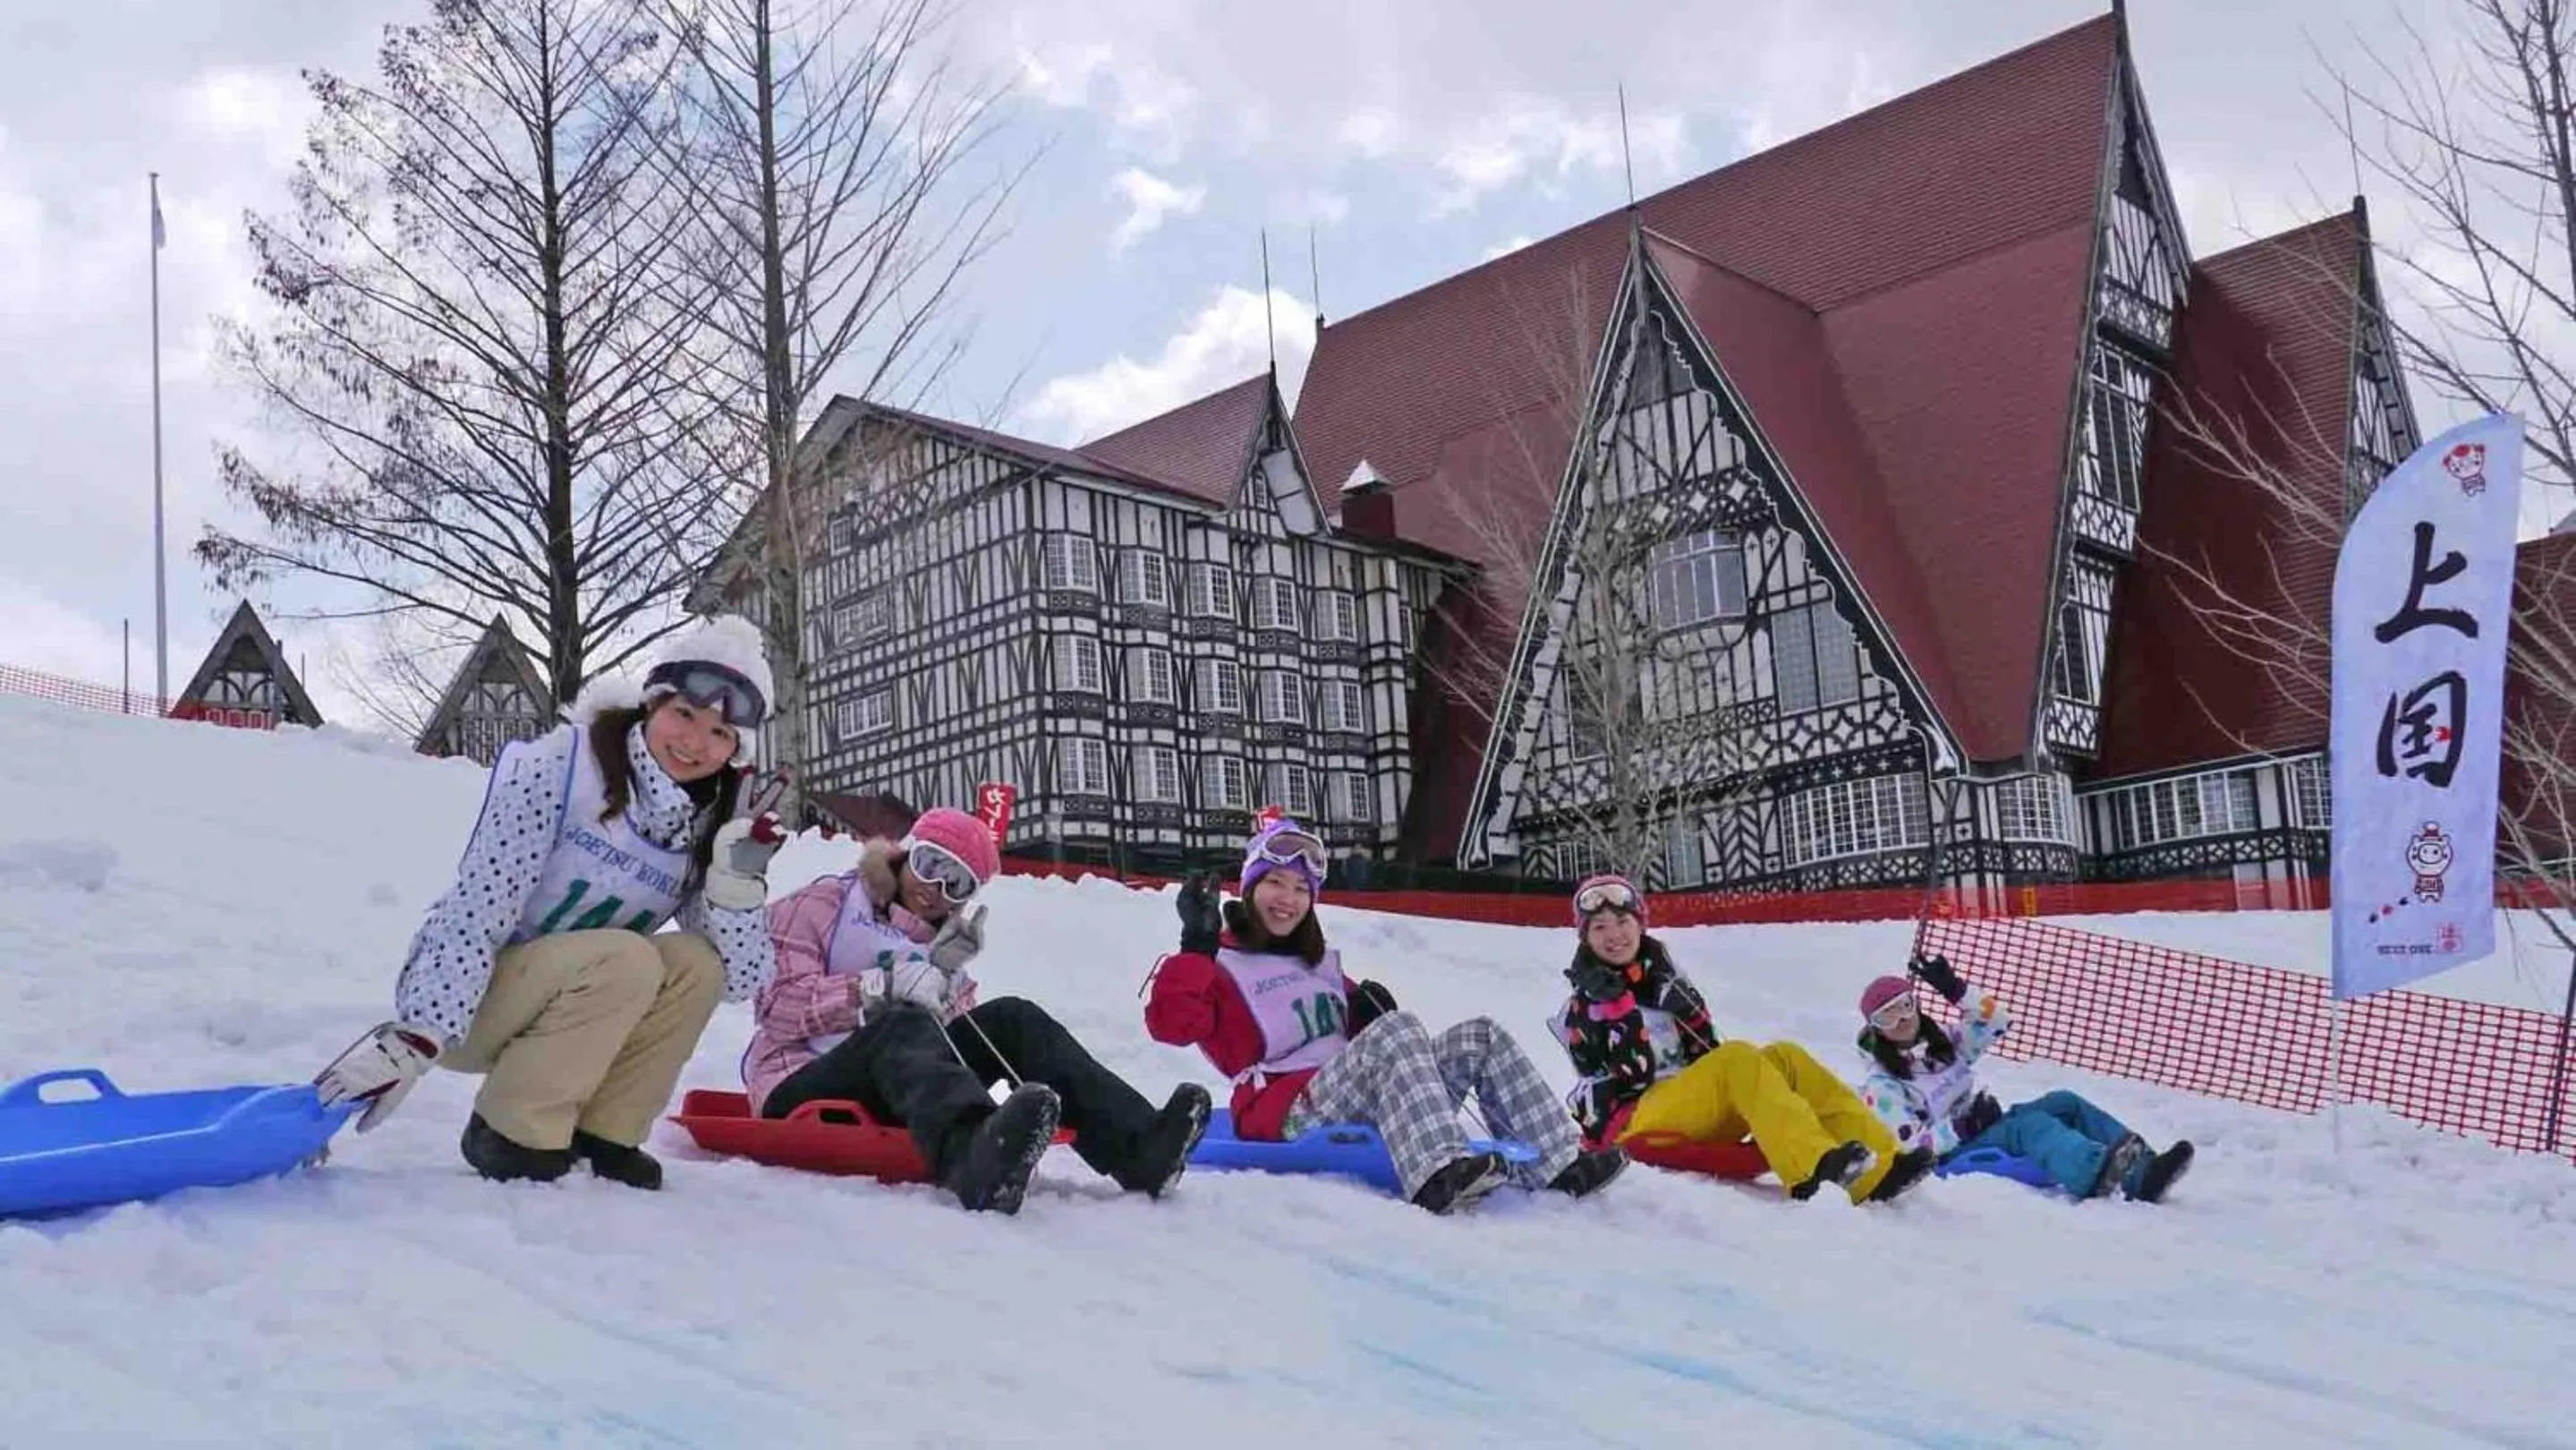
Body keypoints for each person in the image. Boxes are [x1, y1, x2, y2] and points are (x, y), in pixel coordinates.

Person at [315, 618, 786, 1191]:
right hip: (480, 1002)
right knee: (627, 957)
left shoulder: (706, 821)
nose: (694, 743)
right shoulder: (566, 767)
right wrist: (418, 1034)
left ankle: (604, 1133)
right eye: (683, 715)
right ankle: (514, 1128)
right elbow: (477, 907)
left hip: (586, 1006)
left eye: (720, 733)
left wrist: (736, 890)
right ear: (651, 707)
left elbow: (736, 980)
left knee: (694, 962)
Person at [1143, 819, 1628, 1215]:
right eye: (1274, 882)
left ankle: (1558, 1164)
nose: (1287, 899)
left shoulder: (1317, 964)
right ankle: (1435, 1174)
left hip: (1349, 1096)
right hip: (1281, 1109)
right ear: (1249, 887)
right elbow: (1171, 1027)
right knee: (1397, 1032)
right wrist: (1196, 947)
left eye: (1300, 888)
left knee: (1480, 1035)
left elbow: (1372, 1043)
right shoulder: (1217, 962)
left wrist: (1368, 1013)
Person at [745, 807, 1211, 1215]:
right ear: (904, 854)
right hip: (798, 1083)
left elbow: (937, 1057)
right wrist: (877, 990)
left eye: (957, 884)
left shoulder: (941, 947)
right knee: (903, 1020)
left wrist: (943, 981)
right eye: (929, 866)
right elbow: (775, 1007)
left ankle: (1139, 1149)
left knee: (1013, 1018)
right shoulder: (821, 904)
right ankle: (973, 1160)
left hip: (892, 1093)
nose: (935, 890)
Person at [1552, 874, 1934, 1205]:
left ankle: (1881, 1168)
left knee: (1784, 1056)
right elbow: (1630, 1078)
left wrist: (1690, 1012)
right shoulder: (1583, 1006)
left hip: (1687, 1107)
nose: (1613, 934)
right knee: (1738, 1056)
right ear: (1585, 938)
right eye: (1598, 927)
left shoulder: (1661, 979)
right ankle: (1811, 1168)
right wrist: (1617, 1006)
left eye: (1621, 920)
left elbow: (1707, 1058)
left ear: (1640, 925)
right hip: (1637, 1122)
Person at [1854, 957, 2194, 1202]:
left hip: (1984, 1127)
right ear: (1875, 1028)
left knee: (2064, 1102)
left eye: (1904, 1006)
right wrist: (1960, 1128)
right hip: (1953, 1154)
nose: (1901, 1020)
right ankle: (2106, 1177)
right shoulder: (1882, 1085)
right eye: (1887, 1017)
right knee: (2030, 1126)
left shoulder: (1941, 1045)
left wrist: (1955, 989)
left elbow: (1996, 1021)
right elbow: (1906, 1148)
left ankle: (2146, 1166)